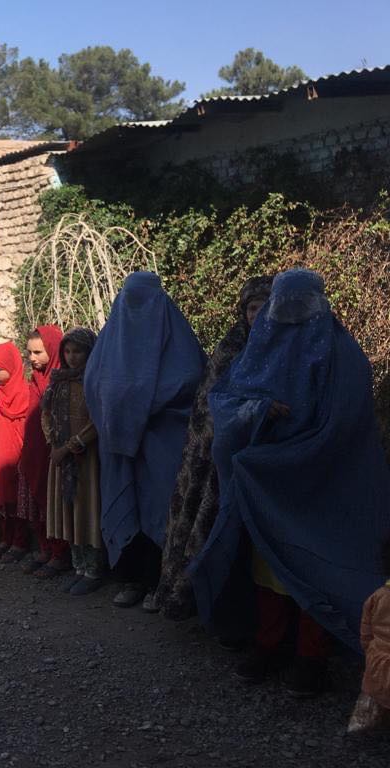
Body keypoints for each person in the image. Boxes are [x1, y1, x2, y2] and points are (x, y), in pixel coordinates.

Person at [190, 269, 390, 696]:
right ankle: (269, 645)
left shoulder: (342, 353)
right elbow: (225, 401)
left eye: (301, 302)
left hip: (321, 481)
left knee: (312, 566)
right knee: (268, 569)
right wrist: (258, 412)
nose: (291, 312)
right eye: (285, 302)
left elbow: (346, 424)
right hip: (269, 483)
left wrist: (300, 454)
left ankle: (312, 657)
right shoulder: (259, 349)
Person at [155, 277, 273, 624]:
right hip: (215, 457)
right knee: (212, 531)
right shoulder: (232, 348)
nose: (259, 315)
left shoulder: (282, 348)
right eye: (253, 308)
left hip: (262, 458)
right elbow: (210, 401)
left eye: (266, 307)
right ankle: (208, 610)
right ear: (243, 311)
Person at [84, 271, 204, 611]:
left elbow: (190, 378)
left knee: (161, 508)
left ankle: (160, 583)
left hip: (161, 441)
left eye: (144, 301)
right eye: (131, 301)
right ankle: (130, 579)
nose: (137, 309)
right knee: (127, 508)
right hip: (117, 444)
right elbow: (94, 383)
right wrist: (123, 412)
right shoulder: (110, 341)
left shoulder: (176, 335)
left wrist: (138, 403)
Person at [43, 328, 103, 596]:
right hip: (59, 456)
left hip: (85, 458)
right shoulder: (57, 381)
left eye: (78, 351)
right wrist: (54, 443)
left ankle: (94, 570)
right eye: (67, 351)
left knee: (86, 509)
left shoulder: (95, 381)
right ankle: (78, 565)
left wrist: (70, 446)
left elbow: (98, 421)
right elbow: (45, 414)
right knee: (68, 510)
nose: (71, 357)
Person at [18, 325, 66, 576]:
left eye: (38, 352)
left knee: (54, 505)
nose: (32, 358)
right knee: (38, 505)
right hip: (34, 452)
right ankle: (45, 549)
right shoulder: (35, 380)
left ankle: (60, 554)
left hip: (54, 455)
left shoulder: (61, 381)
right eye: (30, 353)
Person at [0, 342, 31, 561]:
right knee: (4, 502)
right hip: (0, 458)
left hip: (18, 459)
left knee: (18, 503)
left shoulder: (25, 394)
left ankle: (20, 542)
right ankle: (6, 539)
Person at [350, 537, 390, 733]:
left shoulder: (378, 596)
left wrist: (370, 653)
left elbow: (366, 632)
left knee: (380, 698)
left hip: (378, 664)